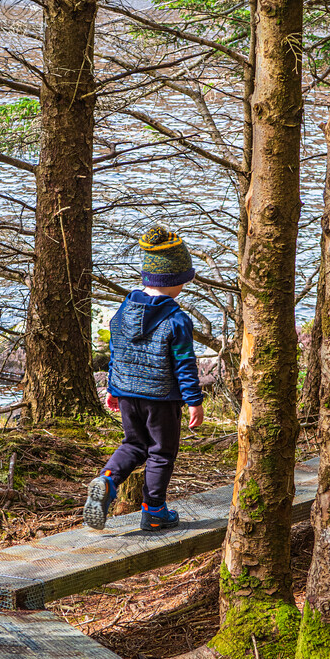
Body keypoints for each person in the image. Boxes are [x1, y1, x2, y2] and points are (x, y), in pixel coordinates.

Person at [83, 226, 204, 531]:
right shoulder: (177, 320)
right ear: (174, 280)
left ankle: (108, 480)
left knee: (133, 444)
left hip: (126, 393)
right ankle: (154, 511)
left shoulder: (125, 310)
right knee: (161, 452)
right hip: (161, 399)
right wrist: (194, 401)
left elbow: (118, 351)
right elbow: (184, 363)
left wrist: (113, 387)